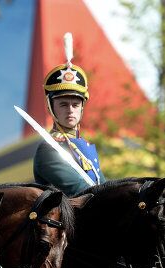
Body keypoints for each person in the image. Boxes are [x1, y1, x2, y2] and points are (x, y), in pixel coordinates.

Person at [33, 32, 105, 196]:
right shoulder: (49, 149)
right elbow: (81, 191)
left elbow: (104, 187)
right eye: (63, 104)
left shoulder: (84, 146)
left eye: (75, 104)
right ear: (52, 107)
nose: (70, 110)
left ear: (82, 107)